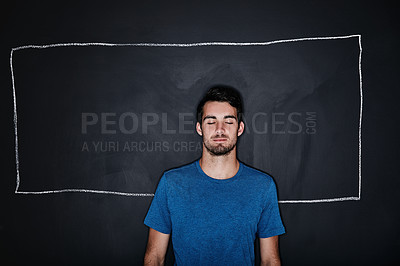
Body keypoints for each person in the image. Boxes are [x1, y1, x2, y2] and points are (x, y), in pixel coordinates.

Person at [143, 86, 285, 265]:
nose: (220, 129)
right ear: (199, 128)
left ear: (240, 128)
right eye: (211, 122)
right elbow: (154, 257)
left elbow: (270, 260)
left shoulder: (263, 186)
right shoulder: (171, 183)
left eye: (228, 121)